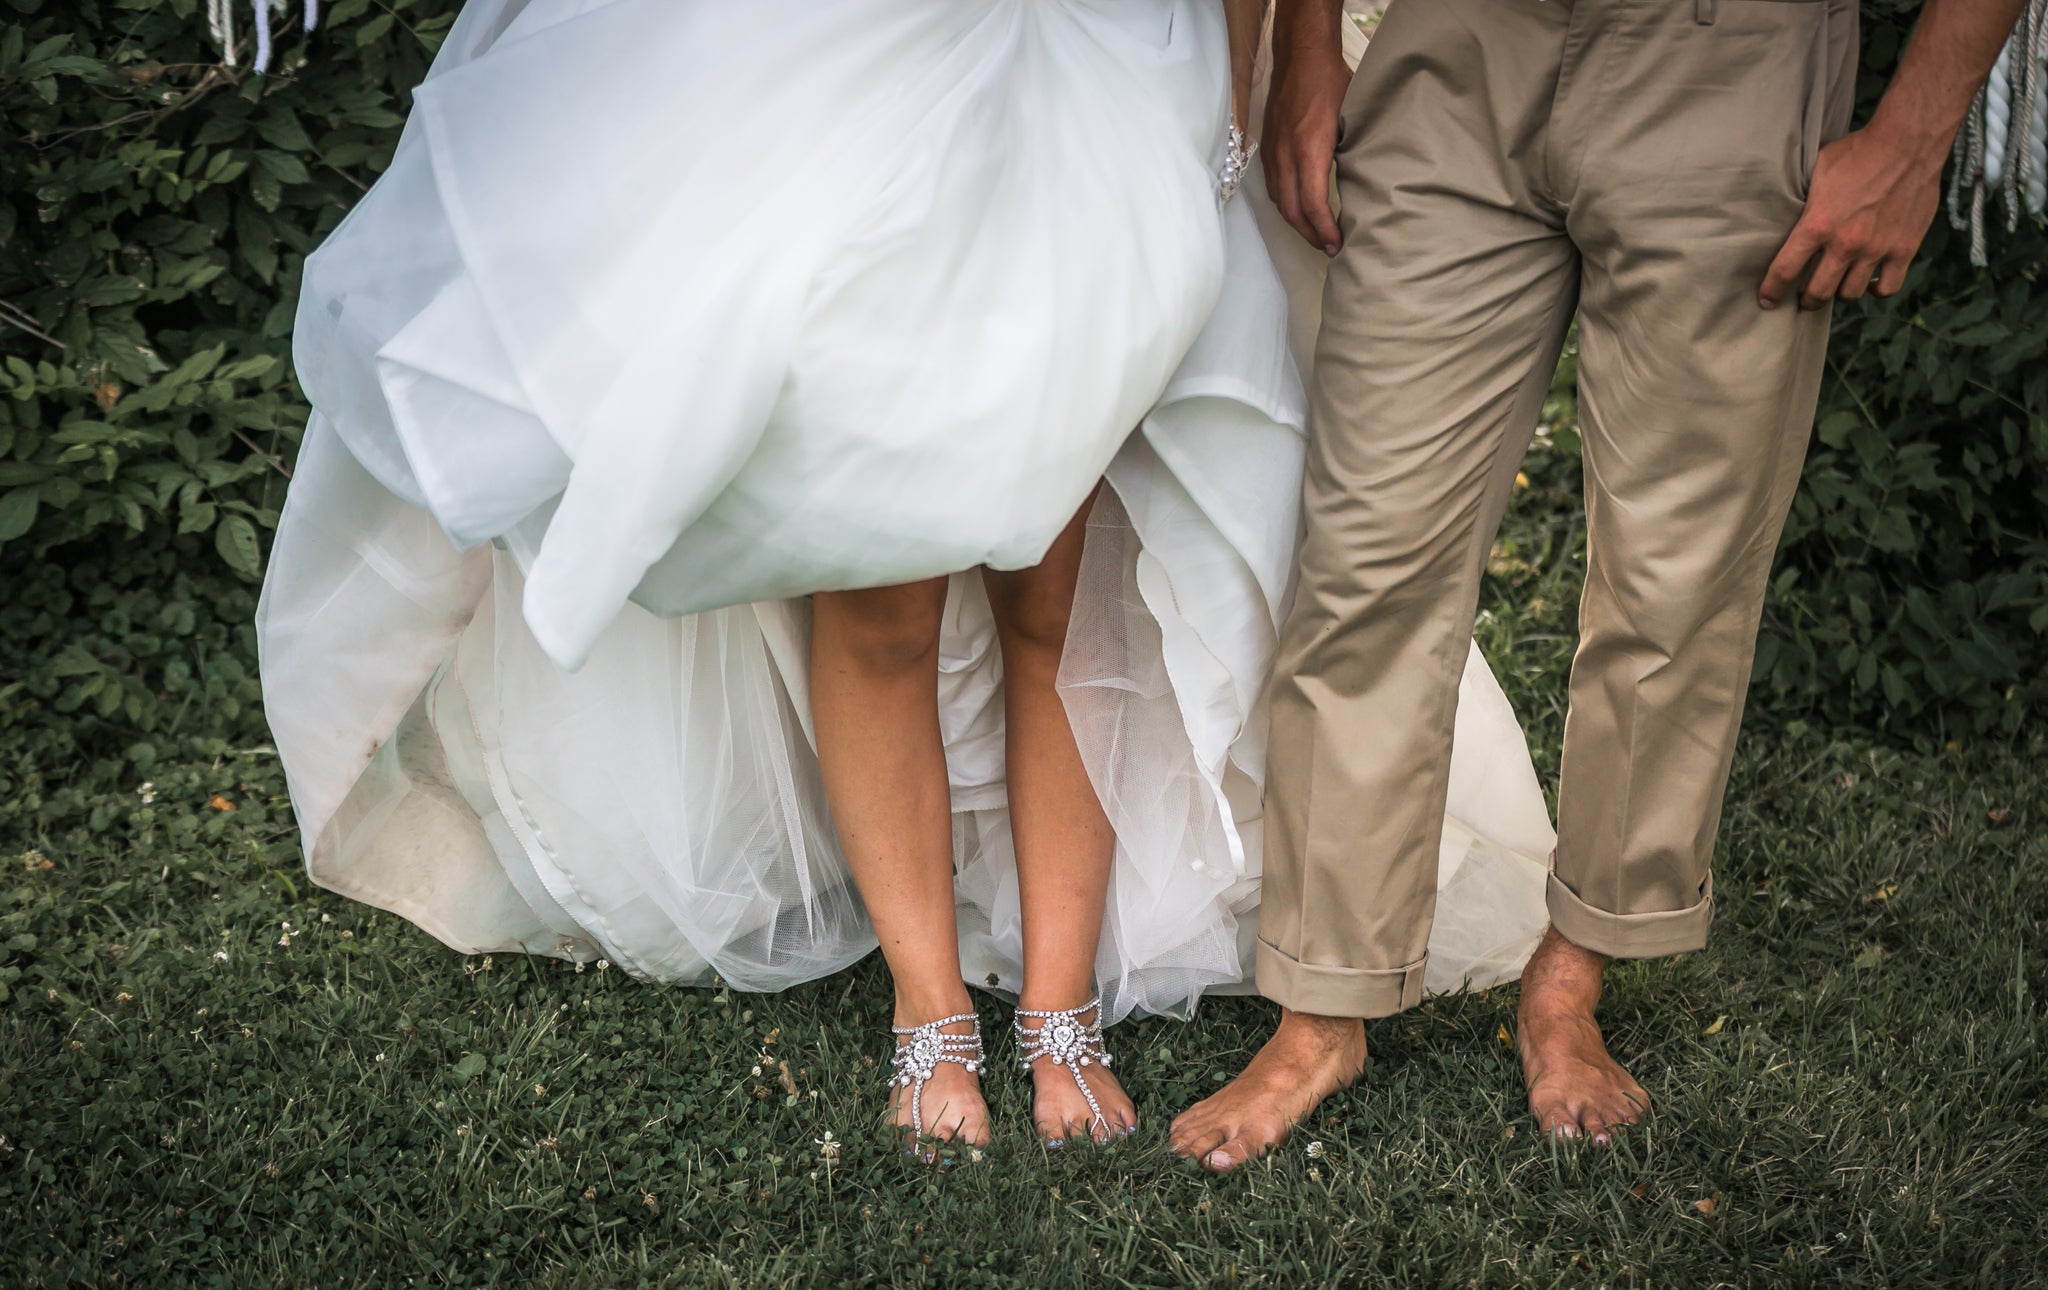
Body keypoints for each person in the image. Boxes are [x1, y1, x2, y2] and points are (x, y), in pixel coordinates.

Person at [259, 0, 1556, 1154]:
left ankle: (1059, 1004)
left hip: (1104, 72)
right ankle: (928, 1005)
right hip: (868, 78)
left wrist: (1235, 76)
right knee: (875, 575)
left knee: (1056, 574)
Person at [1171, 0, 2033, 1169]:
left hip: (1731, 61)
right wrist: (1311, 43)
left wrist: (1912, 135)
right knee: (1364, 558)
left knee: (1673, 586)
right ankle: (1323, 1006)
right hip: (1454, 50)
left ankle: (1569, 975)